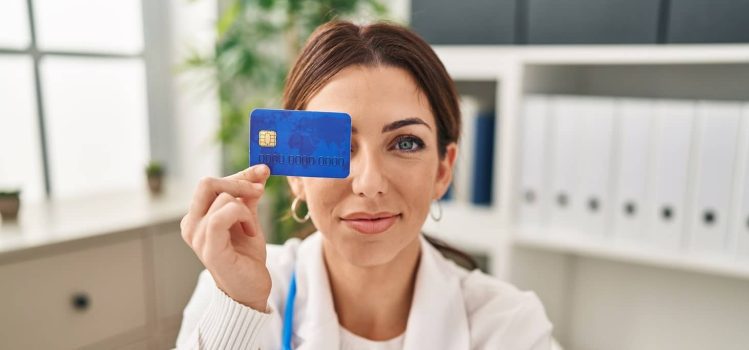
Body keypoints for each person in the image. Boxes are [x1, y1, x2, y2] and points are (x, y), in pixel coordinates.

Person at [175, 20, 552, 350]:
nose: (369, 184)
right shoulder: (227, 291)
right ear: (295, 175)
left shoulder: (510, 325)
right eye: (337, 147)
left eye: (405, 143)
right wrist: (239, 310)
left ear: (442, 170)